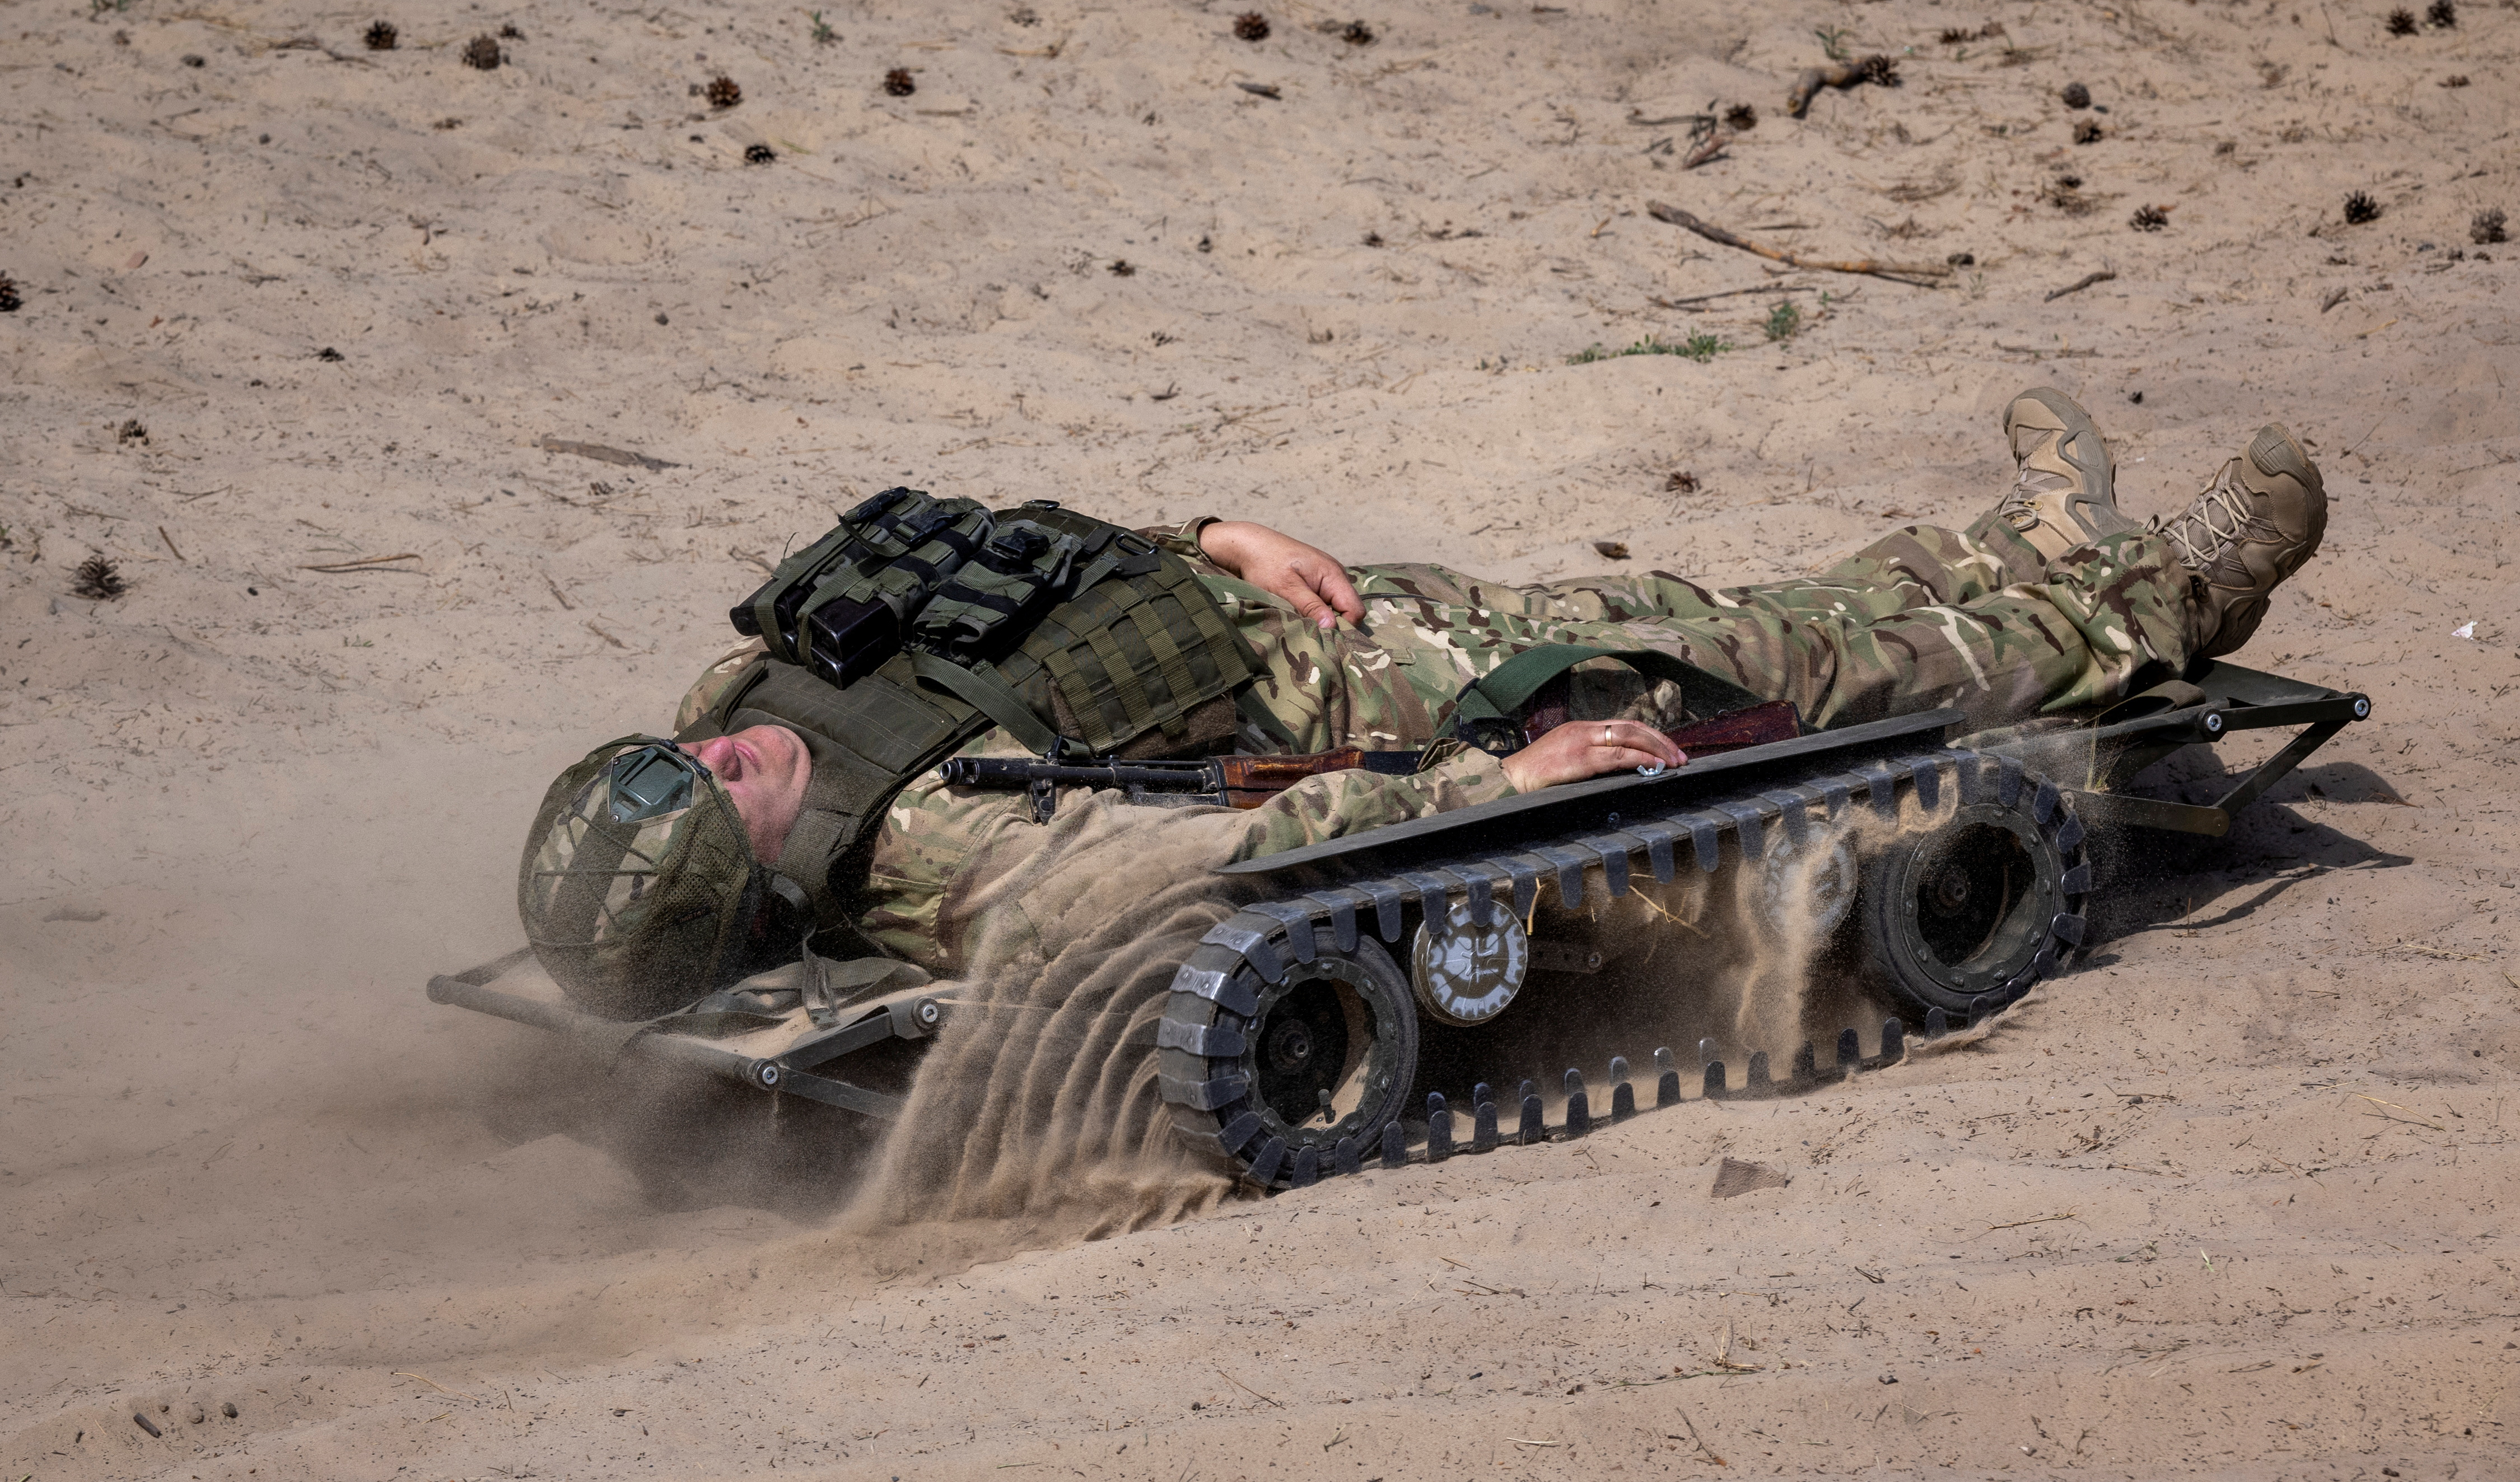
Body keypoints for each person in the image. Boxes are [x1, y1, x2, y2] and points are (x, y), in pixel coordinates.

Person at [605, 388, 2323, 978]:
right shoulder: (953, 859)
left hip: (1310, 624)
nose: (727, 743)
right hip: (1378, 711)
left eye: (691, 753)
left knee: (1702, 603)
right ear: (777, 855)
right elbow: (1241, 853)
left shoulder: (742, 696)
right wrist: (1489, 789)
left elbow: (984, 589)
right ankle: (2165, 584)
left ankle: (2025, 551)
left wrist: (1205, 534)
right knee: (1740, 659)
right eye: (728, 785)